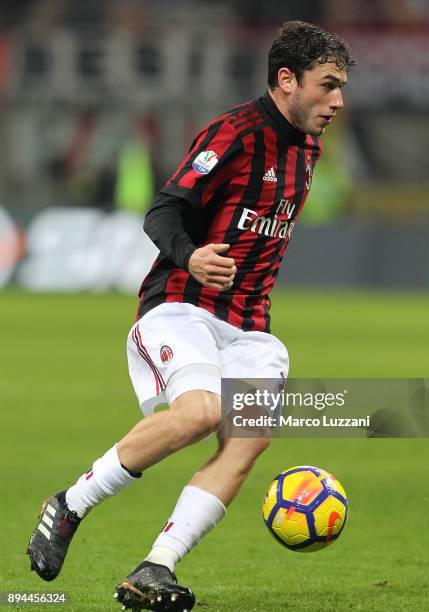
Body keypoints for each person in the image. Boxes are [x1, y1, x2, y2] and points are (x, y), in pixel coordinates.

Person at [27, 21, 354, 612]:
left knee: (249, 437)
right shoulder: (233, 133)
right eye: (328, 85)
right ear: (287, 80)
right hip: (182, 306)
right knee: (202, 411)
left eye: (341, 87)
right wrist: (192, 255)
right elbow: (163, 210)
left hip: (251, 326)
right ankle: (70, 504)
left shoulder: (309, 146)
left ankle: (155, 568)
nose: (338, 101)